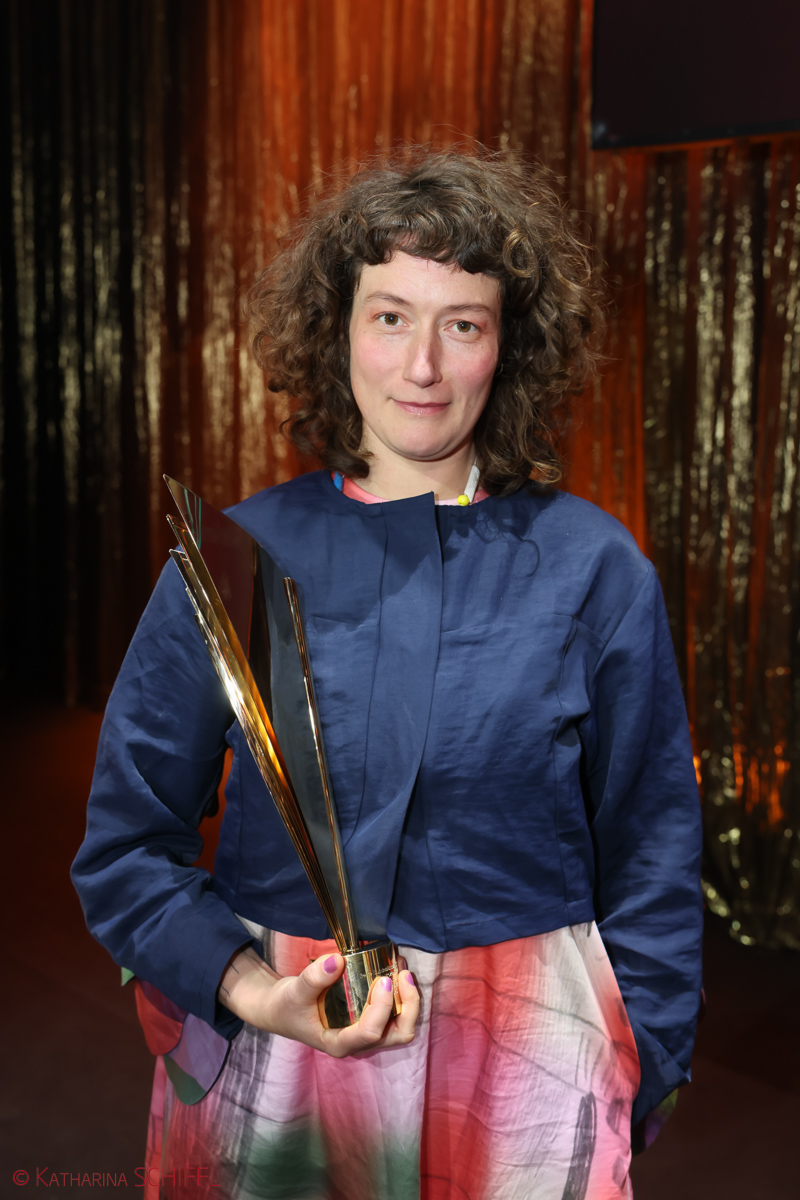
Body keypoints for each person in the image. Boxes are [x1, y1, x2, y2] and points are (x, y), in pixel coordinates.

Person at [72, 148, 703, 1200]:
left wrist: (636, 1058)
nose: (422, 366)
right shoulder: (237, 561)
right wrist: (250, 990)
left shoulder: (594, 567)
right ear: (337, 330)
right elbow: (127, 844)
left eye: (463, 324)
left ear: (508, 347)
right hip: (280, 1056)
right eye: (390, 316)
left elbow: (651, 854)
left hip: (527, 1069)